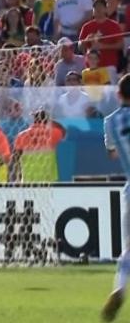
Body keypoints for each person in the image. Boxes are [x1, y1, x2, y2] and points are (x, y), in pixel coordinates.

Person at [101, 73, 130, 322]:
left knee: (129, 246)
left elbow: (111, 153)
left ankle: (120, 287)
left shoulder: (109, 122)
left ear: (119, 95)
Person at [13, 109, 66, 182]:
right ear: (47, 120)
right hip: (49, 178)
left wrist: (18, 175)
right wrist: (51, 121)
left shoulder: (22, 135)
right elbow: (63, 131)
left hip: (29, 177)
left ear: (34, 120)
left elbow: (16, 158)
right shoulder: (53, 133)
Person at [79, 0, 123, 72]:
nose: (98, 9)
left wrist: (103, 46)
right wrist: (86, 40)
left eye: (101, 7)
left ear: (106, 9)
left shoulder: (114, 25)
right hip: (91, 68)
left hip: (109, 66)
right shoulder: (86, 26)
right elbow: (80, 46)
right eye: (95, 7)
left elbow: (121, 45)